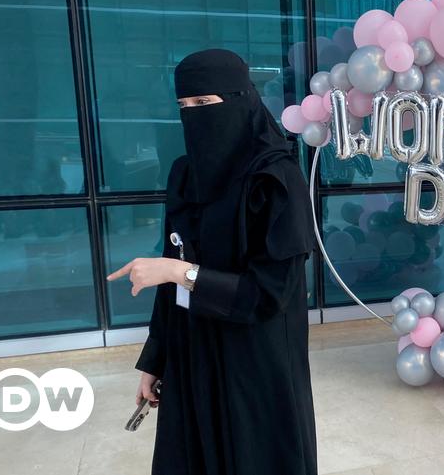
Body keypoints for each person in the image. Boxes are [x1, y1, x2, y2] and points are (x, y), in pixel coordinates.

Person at [107, 49, 317, 475]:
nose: (193, 116)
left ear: (241, 99)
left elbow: (268, 295)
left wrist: (177, 272)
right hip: (193, 353)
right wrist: (155, 359)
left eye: (204, 104)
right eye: (184, 106)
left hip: (255, 363)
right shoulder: (187, 174)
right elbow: (174, 258)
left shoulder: (276, 181)